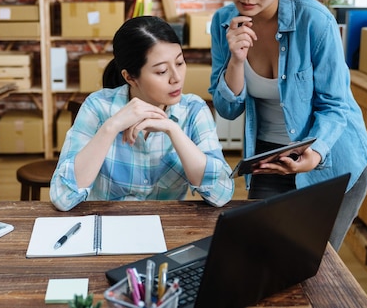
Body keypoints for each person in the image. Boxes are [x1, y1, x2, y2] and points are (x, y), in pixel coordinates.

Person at [208, 0, 367, 250]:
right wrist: (236, 60)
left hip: (330, 159)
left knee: (313, 263)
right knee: (264, 254)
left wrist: (316, 153)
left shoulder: (315, 21)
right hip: (269, 159)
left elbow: (336, 105)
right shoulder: (223, 22)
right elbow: (226, 109)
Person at [51, 15, 234, 211]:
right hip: (108, 226)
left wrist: (173, 130)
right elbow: (63, 197)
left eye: (180, 63)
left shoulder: (193, 110)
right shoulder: (98, 107)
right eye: (162, 71)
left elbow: (221, 195)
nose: (176, 78)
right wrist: (111, 127)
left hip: (169, 230)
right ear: (130, 77)